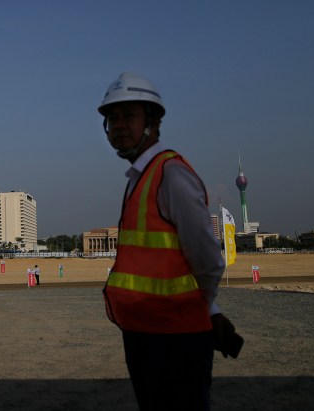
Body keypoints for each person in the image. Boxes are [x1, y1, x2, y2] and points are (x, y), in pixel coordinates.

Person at [98, 72, 241, 411]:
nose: (118, 125)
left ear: (153, 121)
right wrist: (212, 310)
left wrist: (204, 309)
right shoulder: (139, 178)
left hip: (174, 338)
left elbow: (207, 260)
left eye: (128, 116)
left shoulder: (171, 175)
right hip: (144, 333)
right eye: (112, 119)